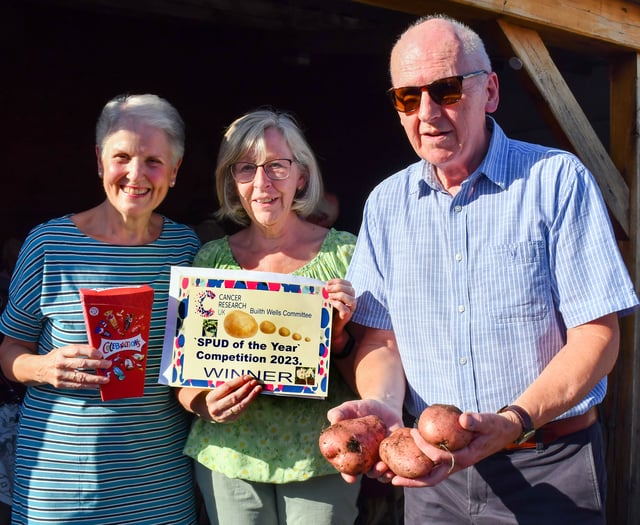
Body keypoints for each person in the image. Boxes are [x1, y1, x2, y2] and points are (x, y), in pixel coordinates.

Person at [327, 14, 640, 525]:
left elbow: (597, 339)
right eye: (408, 97)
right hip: (432, 475)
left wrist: (514, 421)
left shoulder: (556, 181)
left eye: (446, 89)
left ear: (490, 91)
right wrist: (381, 405)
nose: (426, 113)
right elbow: (381, 338)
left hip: (549, 464)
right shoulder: (387, 203)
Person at [0, 94, 201, 525]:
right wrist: (43, 367)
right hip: (61, 487)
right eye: (122, 156)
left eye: (153, 161)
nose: (135, 174)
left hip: (159, 487)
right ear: (98, 160)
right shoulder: (49, 245)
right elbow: (10, 351)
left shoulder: (186, 249)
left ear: (175, 170)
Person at [176, 108, 361, 525]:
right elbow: (183, 376)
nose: (263, 183)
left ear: (302, 175)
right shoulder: (211, 261)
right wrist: (205, 403)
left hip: (322, 453)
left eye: (277, 166)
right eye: (246, 168)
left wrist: (344, 336)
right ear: (232, 181)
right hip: (228, 456)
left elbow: (379, 366)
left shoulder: (344, 255)